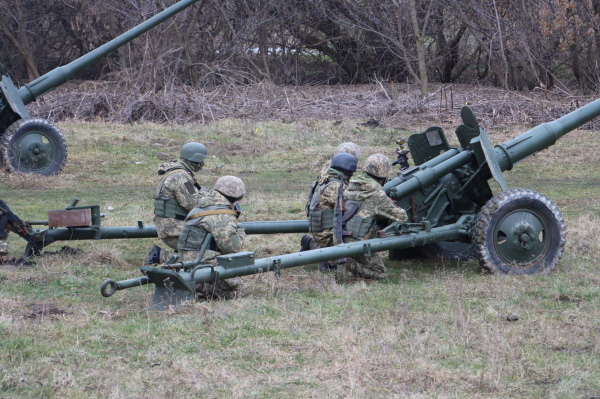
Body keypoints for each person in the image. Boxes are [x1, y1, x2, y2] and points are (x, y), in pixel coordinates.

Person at [337, 154, 407, 279]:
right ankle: (349, 264)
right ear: (384, 176)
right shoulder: (376, 193)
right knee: (380, 273)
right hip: (358, 243)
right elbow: (402, 217)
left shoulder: (350, 186)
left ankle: (337, 258)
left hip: (341, 237)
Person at [178, 176, 247, 299]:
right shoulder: (222, 215)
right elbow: (232, 248)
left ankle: (201, 286)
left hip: (187, 260)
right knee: (238, 291)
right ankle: (200, 287)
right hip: (202, 262)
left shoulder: (202, 205)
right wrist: (240, 233)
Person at [150, 142, 207, 264]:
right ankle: (161, 256)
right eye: (202, 160)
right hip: (173, 228)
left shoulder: (179, 173)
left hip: (170, 225)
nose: (203, 164)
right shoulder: (181, 177)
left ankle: (178, 255)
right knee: (207, 255)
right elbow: (193, 203)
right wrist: (205, 195)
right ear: (196, 159)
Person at [301, 153, 357, 272]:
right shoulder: (336, 187)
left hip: (321, 231)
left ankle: (311, 243)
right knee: (352, 260)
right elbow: (354, 204)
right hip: (326, 235)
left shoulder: (326, 178)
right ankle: (323, 255)